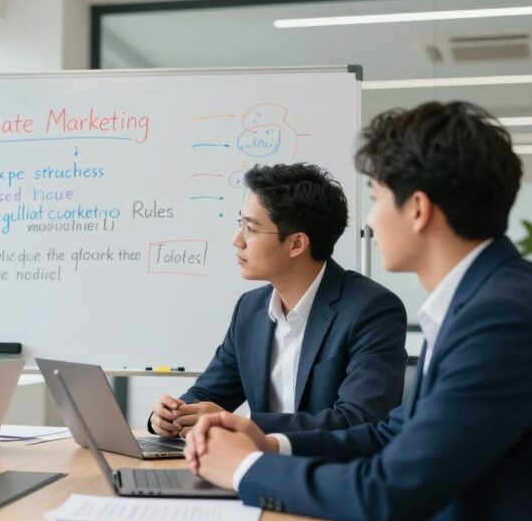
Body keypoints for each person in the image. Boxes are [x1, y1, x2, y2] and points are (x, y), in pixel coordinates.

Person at [185, 101, 532, 521]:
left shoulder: (501, 320)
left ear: (418, 209)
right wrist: (269, 443)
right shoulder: (482, 301)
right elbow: (388, 436)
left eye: (378, 197)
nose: (369, 218)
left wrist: (245, 469)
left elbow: (384, 495)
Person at [150, 163, 406, 436]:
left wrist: (245, 426)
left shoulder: (371, 309)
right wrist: (172, 414)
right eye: (241, 224)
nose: (237, 240)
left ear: (297, 244)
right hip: (256, 470)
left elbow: (359, 420)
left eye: (251, 228)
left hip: (332, 473)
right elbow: (208, 393)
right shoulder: (250, 309)